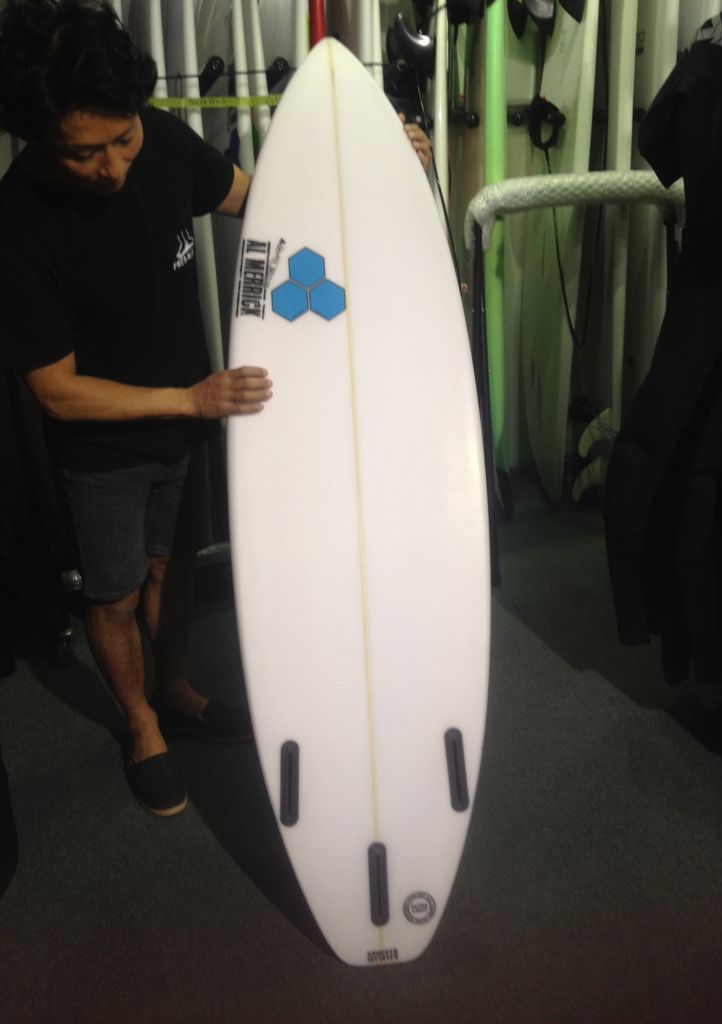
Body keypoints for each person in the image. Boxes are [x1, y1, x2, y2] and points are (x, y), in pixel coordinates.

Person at [0, 0, 432, 818]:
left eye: (123, 139)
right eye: (84, 153)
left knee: (177, 568)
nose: (113, 167)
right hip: (103, 450)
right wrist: (191, 397)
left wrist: (381, 163)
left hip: (189, 416)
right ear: (36, 137)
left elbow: (267, 202)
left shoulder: (162, 142)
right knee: (115, 594)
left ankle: (176, 692)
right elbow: (56, 390)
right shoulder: (18, 226)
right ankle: (140, 726)